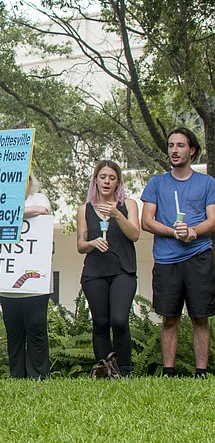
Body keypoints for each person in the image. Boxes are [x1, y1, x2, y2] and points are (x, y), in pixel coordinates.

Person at [141, 127, 215, 378]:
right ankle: (168, 372)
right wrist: (174, 233)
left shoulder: (207, 182)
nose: (174, 150)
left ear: (192, 150)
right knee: (170, 318)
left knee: (200, 317)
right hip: (166, 259)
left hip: (199, 256)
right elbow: (146, 221)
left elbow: (213, 220)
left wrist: (193, 232)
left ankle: (201, 372)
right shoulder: (156, 183)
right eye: (171, 145)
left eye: (180, 145)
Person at [76, 161, 139, 376]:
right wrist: (92, 243)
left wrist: (116, 215)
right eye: (103, 177)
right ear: (95, 180)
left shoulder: (128, 205)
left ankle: (124, 369)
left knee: (119, 320)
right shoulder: (84, 209)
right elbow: (80, 245)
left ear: (118, 182)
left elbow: (135, 235)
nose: (107, 181)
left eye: (112, 178)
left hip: (123, 270)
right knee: (100, 322)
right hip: (95, 273)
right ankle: (104, 369)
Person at [0, 175, 53, 379]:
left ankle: (38, 375)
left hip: (35, 283)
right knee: (14, 334)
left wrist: (10, 213)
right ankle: (17, 375)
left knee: (36, 329)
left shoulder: (39, 198)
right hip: (8, 284)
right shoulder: (1, 200)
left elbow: (43, 212)